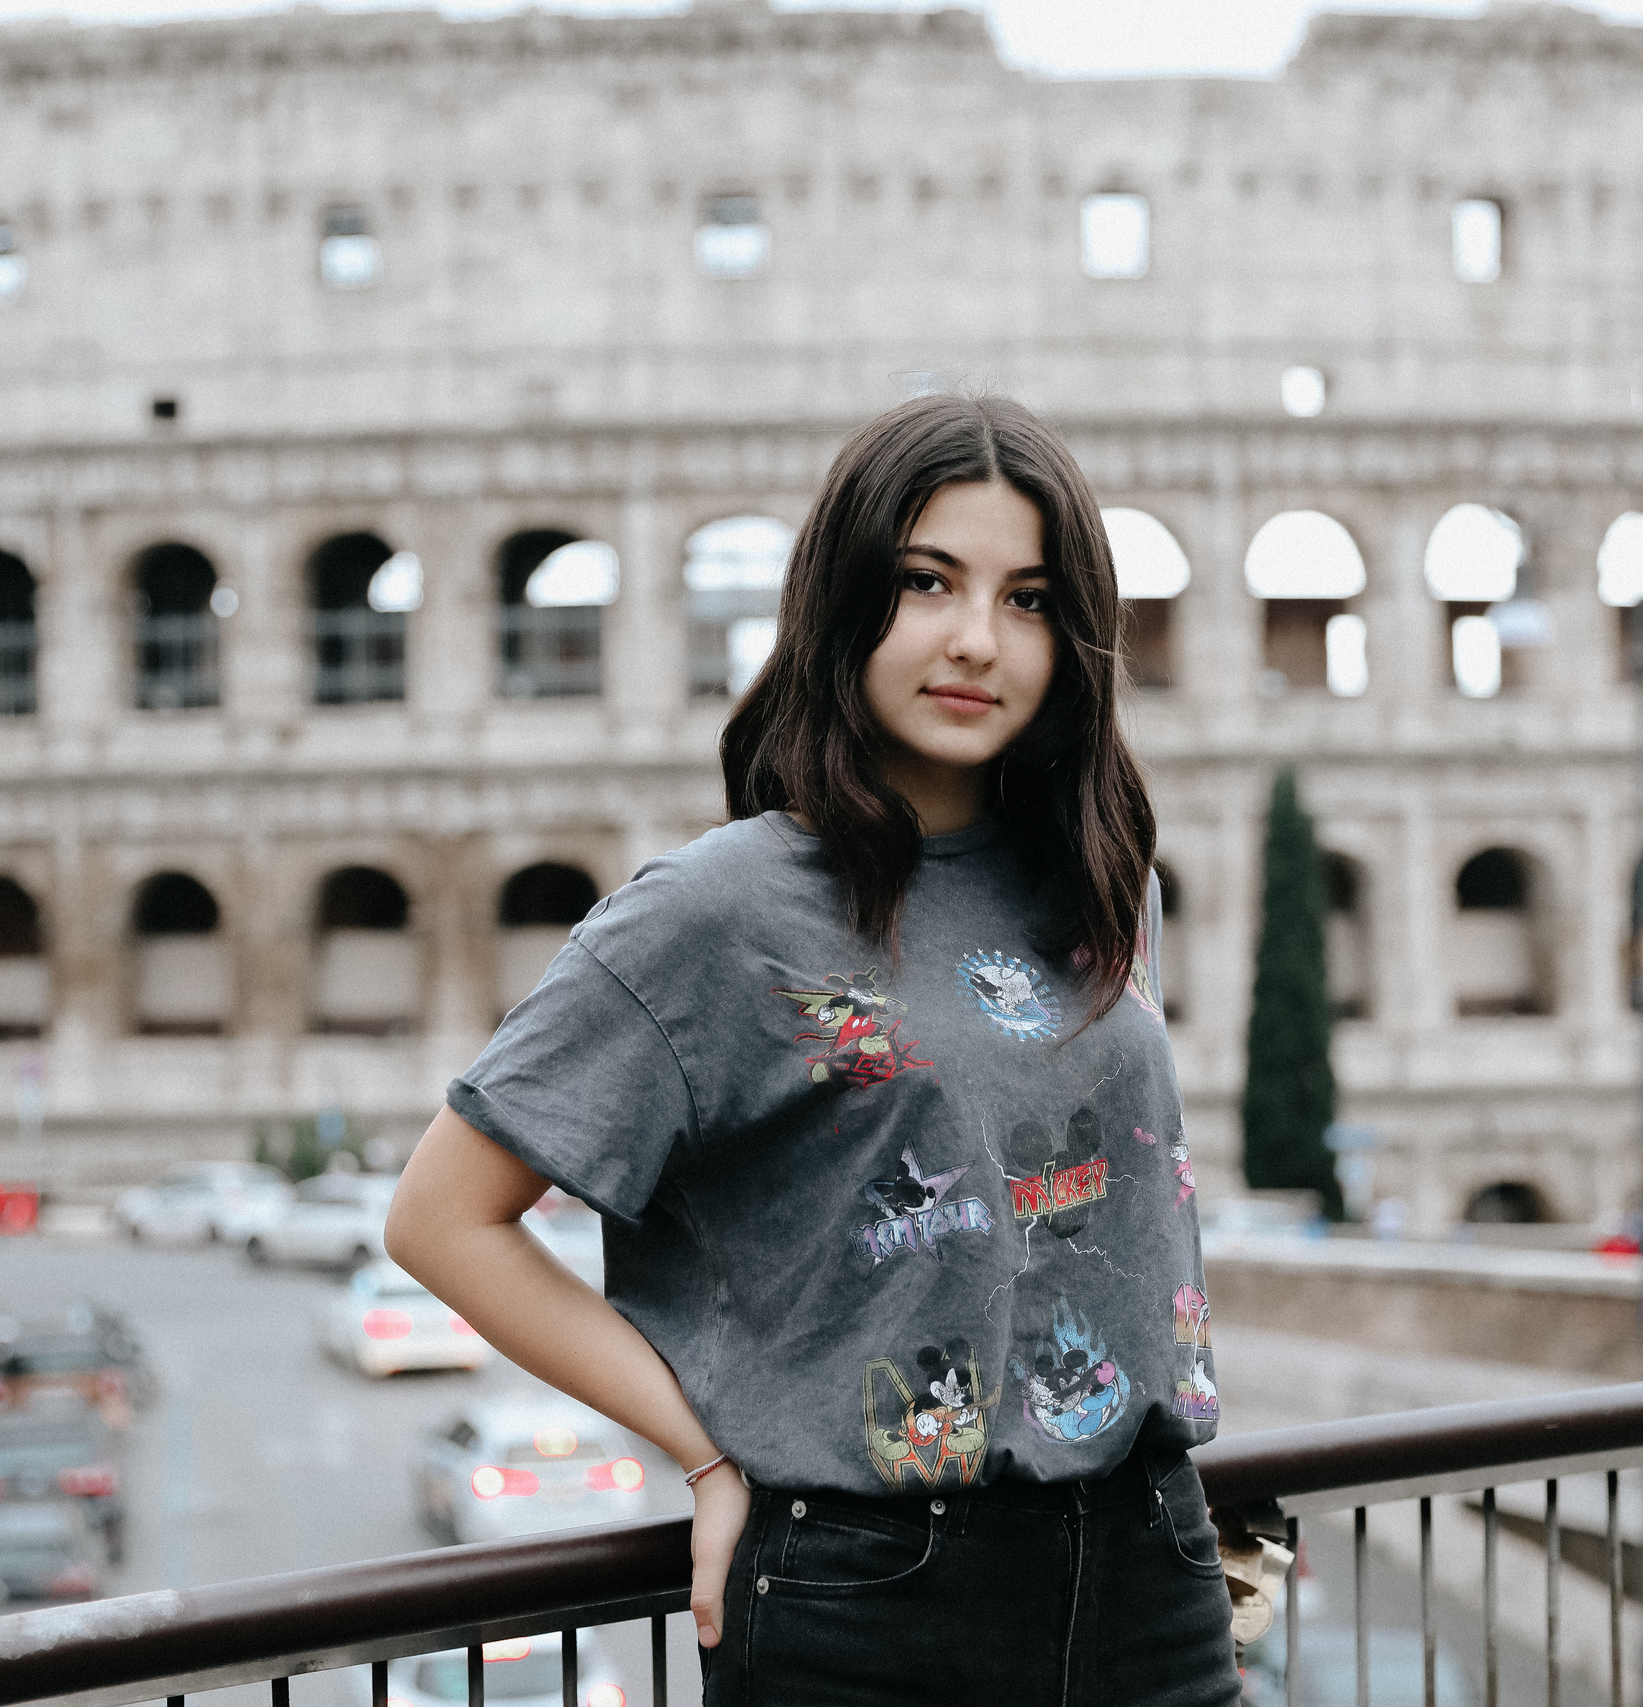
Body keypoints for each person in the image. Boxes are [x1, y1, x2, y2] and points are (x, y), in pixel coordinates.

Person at [385, 394, 1236, 1706]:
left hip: (1150, 1568)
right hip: (871, 1598)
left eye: (1026, 600)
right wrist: (702, 1452)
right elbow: (442, 1219)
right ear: (842, 602)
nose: (976, 639)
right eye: (927, 581)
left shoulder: (1106, 888)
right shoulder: (716, 911)